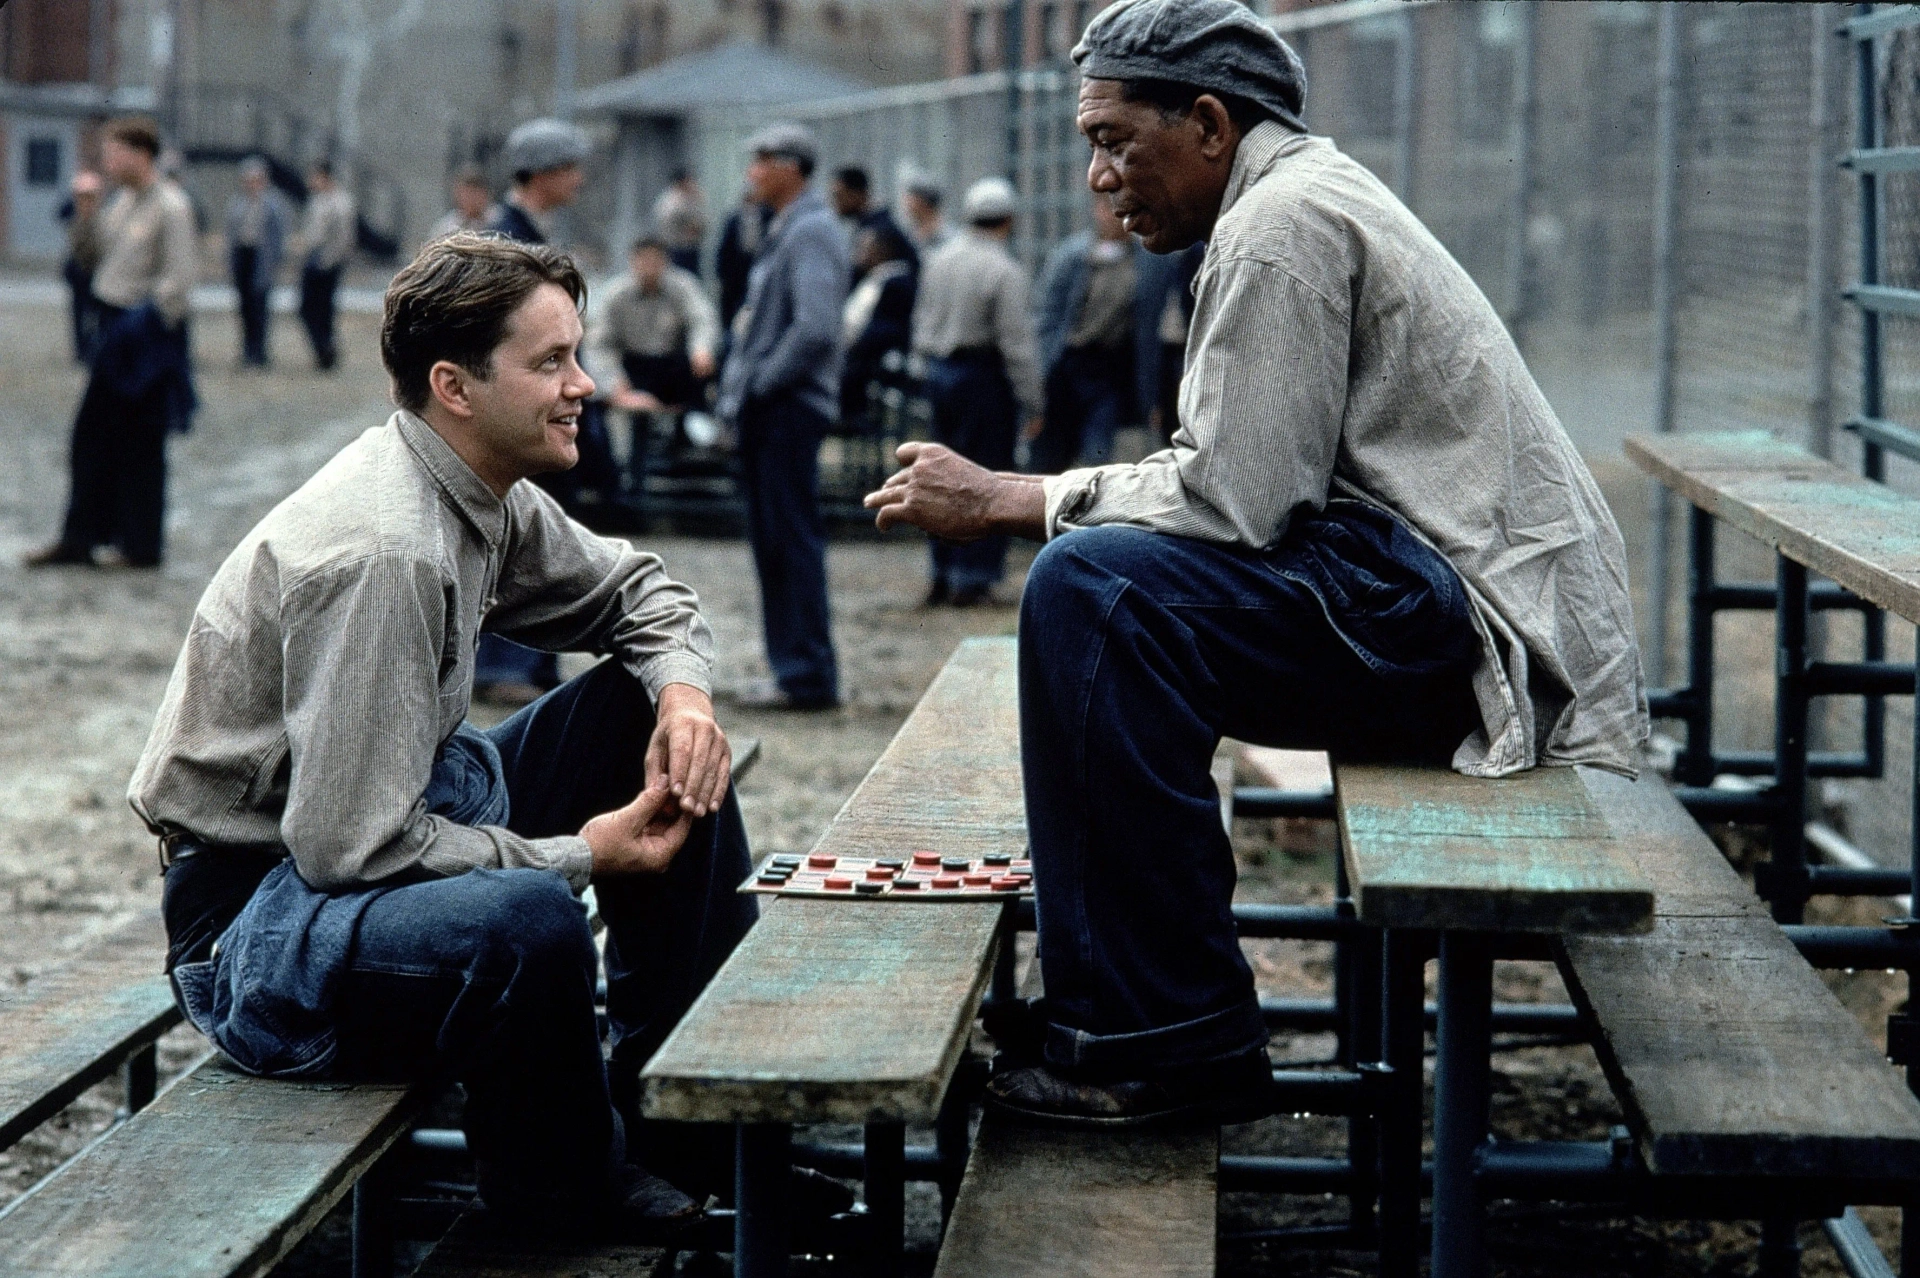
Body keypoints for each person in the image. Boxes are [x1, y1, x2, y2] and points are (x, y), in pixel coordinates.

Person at [865, 0, 1647, 1126]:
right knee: (1110, 592)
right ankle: (1129, 1004)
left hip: (1474, 632)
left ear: (1212, 124)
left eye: (1115, 141)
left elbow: (1237, 500)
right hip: (1421, 590)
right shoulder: (1291, 197)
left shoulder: (1281, 226)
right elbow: (1248, 490)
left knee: (1097, 595)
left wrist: (1010, 498)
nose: (1098, 177)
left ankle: (1162, 1039)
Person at [127, 232, 852, 1233]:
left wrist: (684, 703)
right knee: (532, 921)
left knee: (641, 718)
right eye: (550, 362)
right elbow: (348, 850)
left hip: (375, 830)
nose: (584, 386)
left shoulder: (472, 483)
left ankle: (681, 1122)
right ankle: (564, 1191)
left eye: (577, 355)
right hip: (258, 928)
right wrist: (577, 856)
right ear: (454, 388)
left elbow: (642, 593)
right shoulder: (389, 553)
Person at [714, 122, 848, 711]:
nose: (752, 173)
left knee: (789, 542)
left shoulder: (812, 231)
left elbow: (815, 328)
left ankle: (806, 676)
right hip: (773, 408)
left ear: (793, 167)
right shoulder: (786, 229)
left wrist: (760, 384)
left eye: (762, 161)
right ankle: (792, 670)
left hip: (787, 408)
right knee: (774, 542)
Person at [26, 117, 197, 571]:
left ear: (140, 154)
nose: (107, 161)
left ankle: (141, 546)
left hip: (145, 339)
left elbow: (179, 282)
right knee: (94, 437)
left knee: (141, 444)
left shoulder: (171, 207)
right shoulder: (121, 204)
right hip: (113, 331)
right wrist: (84, 215)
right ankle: (82, 536)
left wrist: (144, 323)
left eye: (115, 152)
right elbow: (90, 260)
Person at [478, 118, 598, 702]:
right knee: (517, 535)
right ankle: (506, 666)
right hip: (524, 411)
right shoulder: (508, 239)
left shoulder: (530, 231)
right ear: (546, 173)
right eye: (570, 167)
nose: (578, 179)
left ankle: (533, 663)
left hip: (545, 405)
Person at [908, 176, 1041, 607]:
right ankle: (975, 575)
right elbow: (1016, 342)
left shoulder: (939, 260)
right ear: (1008, 220)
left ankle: (941, 570)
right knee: (984, 476)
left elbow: (922, 321)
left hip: (939, 373)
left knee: (938, 474)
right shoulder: (1004, 270)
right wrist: (1033, 399)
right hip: (983, 377)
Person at [1031, 192, 1194, 471]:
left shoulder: (1148, 261)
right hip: (1070, 364)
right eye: (1105, 209)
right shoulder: (1072, 256)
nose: (1112, 217)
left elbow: (1152, 327)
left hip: (1110, 368)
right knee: (1053, 452)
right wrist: (1044, 369)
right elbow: (1048, 316)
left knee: (1098, 449)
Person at [590, 235, 720, 416]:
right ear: (632, 261)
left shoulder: (683, 287)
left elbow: (702, 319)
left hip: (675, 365)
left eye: (655, 260)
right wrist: (612, 381)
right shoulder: (616, 295)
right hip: (635, 366)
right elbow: (599, 342)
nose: (649, 266)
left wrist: (701, 348)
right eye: (644, 259)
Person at [839, 222, 918, 433]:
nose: (860, 253)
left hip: (872, 359)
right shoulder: (874, 277)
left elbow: (887, 329)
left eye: (866, 247)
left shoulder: (896, 281)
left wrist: (857, 345)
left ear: (883, 250)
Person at [225, 155, 290, 369]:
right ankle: (247, 350)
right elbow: (231, 235)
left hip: (261, 260)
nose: (251, 184)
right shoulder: (237, 203)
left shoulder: (273, 205)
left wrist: (272, 265)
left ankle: (260, 352)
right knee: (244, 307)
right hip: (243, 256)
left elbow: (278, 239)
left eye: (255, 179)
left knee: (259, 308)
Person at [297, 161, 356, 372]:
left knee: (324, 310)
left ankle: (327, 351)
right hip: (313, 259)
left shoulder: (341, 203)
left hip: (328, 262)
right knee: (306, 308)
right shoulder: (317, 201)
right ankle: (322, 349)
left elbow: (344, 238)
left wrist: (328, 262)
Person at [829, 166, 917, 283]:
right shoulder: (871, 225)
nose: (836, 203)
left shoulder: (878, 232)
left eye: (839, 195)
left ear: (857, 194)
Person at [61, 169, 107, 364]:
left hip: (97, 272)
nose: (85, 202)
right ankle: (82, 350)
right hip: (79, 273)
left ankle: (96, 348)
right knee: (79, 313)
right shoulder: (75, 218)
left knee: (98, 314)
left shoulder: (103, 219)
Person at [715, 188, 766, 337]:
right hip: (735, 270)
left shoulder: (766, 216)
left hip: (755, 264)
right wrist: (722, 275)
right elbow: (724, 248)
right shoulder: (733, 219)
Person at [651, 167, 706, 277]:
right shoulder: (671, 201)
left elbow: (703, 222)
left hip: (691, 248)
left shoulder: (693, 198)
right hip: (675, 249)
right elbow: (671, 222)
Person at [428, 165, 495, 241]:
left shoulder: (499, 222)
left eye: (476, 192)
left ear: (486, 195)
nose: (472, 199)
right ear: (457, 194)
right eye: (468, 193)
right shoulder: (445, 228)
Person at [900, 172, 953, 256]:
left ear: (922, 202)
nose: (906, 203)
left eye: (910, 198)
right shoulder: (908, 236)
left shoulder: (950, 240)